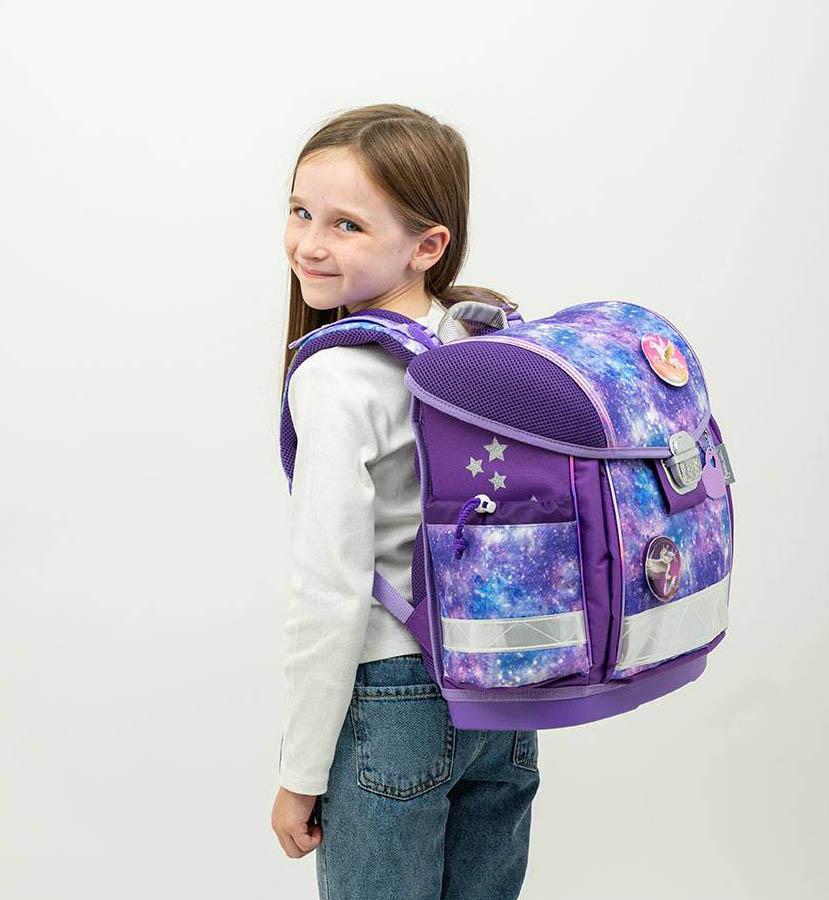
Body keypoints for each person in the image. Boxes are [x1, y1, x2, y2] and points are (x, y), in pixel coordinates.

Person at [269, 103, 540, 900]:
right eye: (300, 211)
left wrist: (300, 773)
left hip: (395, 697)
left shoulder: (335, 375)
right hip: (503, 689)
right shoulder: (482, 340)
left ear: (428, 246)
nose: (310, 244)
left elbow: (329, 589)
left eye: (347, 225)